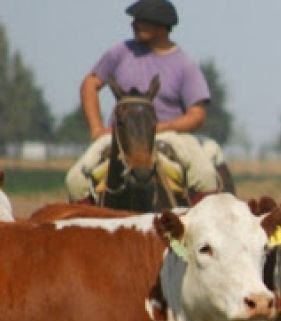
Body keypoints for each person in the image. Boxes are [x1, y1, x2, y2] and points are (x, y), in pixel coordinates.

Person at [66, 0, 220, 204]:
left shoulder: (184, 65)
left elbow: (197, 114)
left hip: (170, 137)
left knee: (205, 175)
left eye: (141, 20)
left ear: (162, 26)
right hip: (120, 136)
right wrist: (96, 128)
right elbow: (90, 84)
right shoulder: (120, 52)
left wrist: (158, 128)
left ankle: (201, 227)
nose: (134, 24)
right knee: (75, 180)